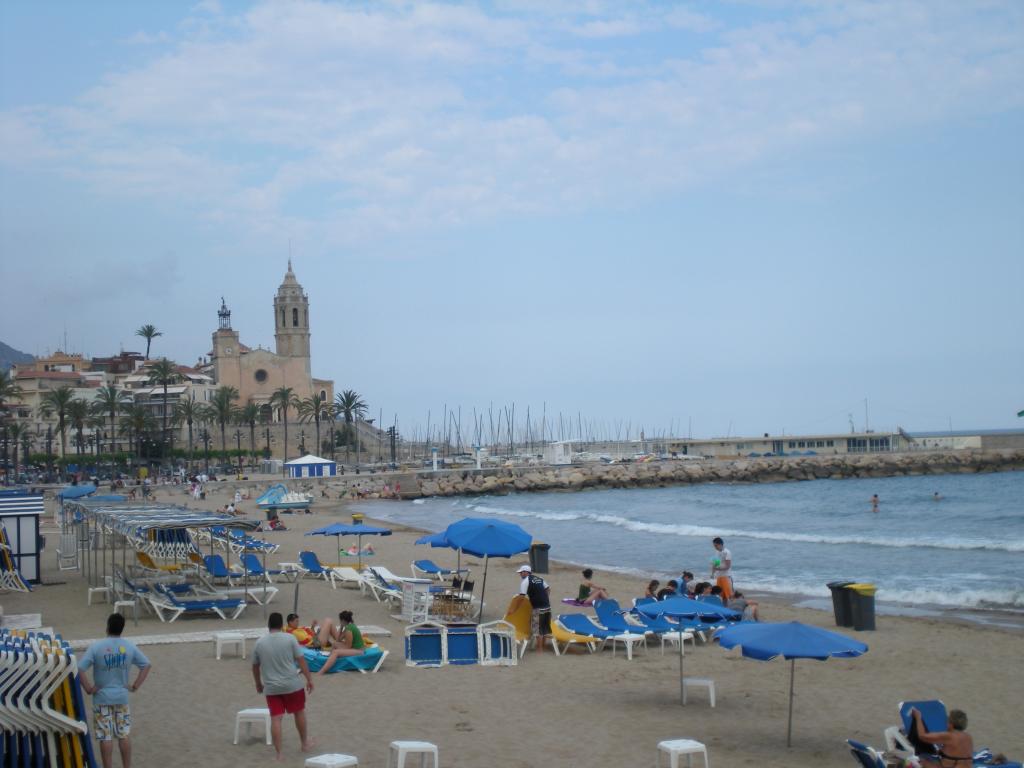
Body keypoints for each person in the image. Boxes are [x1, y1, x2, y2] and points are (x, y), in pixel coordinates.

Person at [78, 613, 152, 768]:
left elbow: (79, 668)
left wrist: (89, 689)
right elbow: (146, 665)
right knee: (123, 734)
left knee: (105, 736)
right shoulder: (129, 646)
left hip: (102, 697)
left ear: (107, 626)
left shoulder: (97, 647)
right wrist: (135, 686)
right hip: (121, 696)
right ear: (122, 628)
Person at [252, 612, 315, 760]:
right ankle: (304, 744)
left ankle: (279, 754)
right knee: (299, 712)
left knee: (276, 718)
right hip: (292, 684)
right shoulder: (290, 638)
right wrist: (309, 679)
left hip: (272, 687)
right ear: (282, 625)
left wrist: (258, 683)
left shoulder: (260, 642)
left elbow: (255, 666)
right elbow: (301, 660)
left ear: (269, 625)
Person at [315, 610, 367, 675]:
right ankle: (330, 660)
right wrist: (341, 627)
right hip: (354, 648)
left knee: (335, 652)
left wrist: (338, 650)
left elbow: (348, 647)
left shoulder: (349, 630)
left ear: (342, 620)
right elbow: (338, 639)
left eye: (340, 621)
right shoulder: (348, 627)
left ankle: (321, 671)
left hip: (359, 651)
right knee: (334, 644)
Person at [517, 564, 552, 652]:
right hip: (547, 606)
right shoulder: (539, 579)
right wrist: (545, 598)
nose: (520, 574)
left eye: (521, 572)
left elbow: (521, 597)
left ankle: (539, 649)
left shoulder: (525, 581)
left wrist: (515, 608)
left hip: (538, 607)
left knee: (538, 629)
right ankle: (543, 646)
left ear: (526, 572)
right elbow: (548, 589)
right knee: (544, 628)